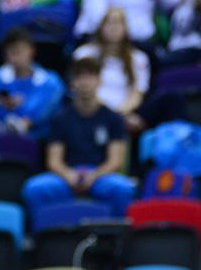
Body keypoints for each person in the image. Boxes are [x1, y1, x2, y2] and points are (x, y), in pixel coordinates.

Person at [22, 56, 137, 219]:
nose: (85, 82)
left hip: (101, 175)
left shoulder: (113, 118)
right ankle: (44, 233)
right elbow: (54, 160)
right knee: (35, 188)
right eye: (80, 77)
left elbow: (115, 161)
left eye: (90, 76)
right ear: (72, 83)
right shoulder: (60, 119)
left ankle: (116, 233)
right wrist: (69, 175)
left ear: (99, 80)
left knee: (122, 188)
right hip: (67, 174)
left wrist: (94, 176)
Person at [73, 8, 151, 132]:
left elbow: (137, 93)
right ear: (101, 26)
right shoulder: (83, 54)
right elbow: (80, 87)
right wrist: (110, 115)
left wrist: (119, 115)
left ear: (126, 28)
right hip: (90, 109)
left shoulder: (139, 58)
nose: (113, 28)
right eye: (109, 22)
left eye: (118, 23)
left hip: (125, 112)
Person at [0, 28, 64, 136]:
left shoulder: (49, 81)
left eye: (19, 51)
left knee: (53, 86)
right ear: (5, 55)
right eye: (12, 52)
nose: (16, 57)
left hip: (36, 136)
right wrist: (0, 103)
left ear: (32, 51)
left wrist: (22, 104)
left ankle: (21, 125)